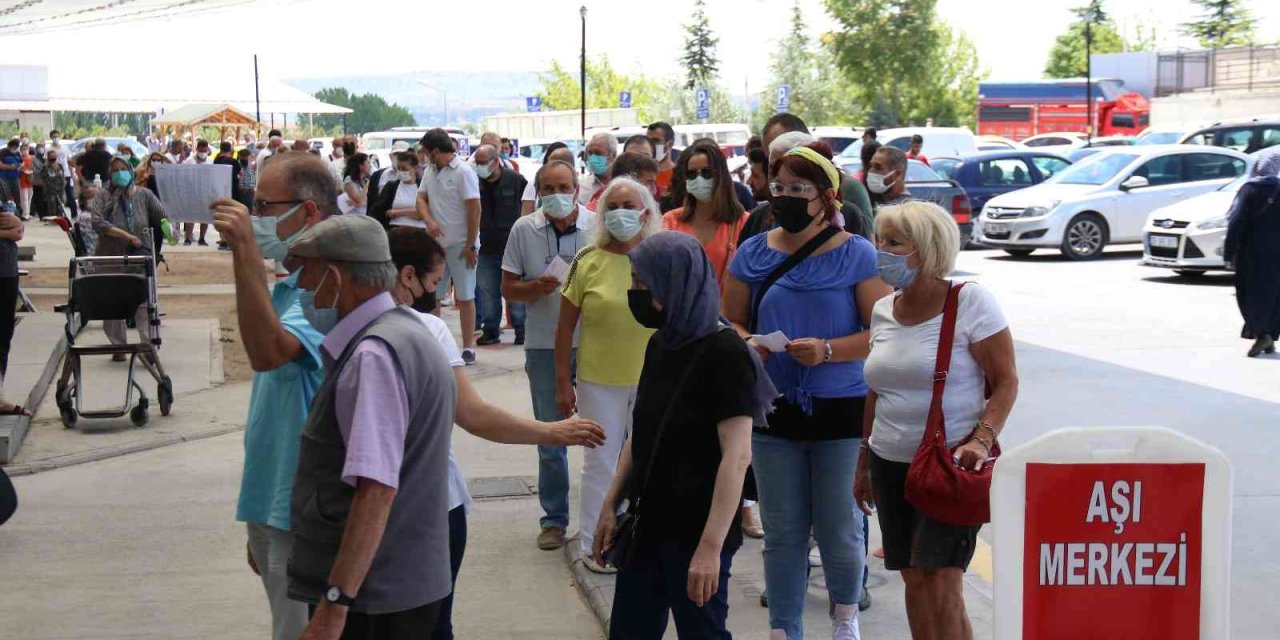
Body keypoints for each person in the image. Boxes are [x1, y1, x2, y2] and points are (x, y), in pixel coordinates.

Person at [385, 226, 606, 640]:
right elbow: (473, 413)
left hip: (400, 506)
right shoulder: (424, 329)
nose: (435, 296)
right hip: (425, 507)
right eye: (436, 283)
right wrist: (553, 432)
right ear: (408, 276)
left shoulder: (341, 328)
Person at [723, 146, 892, 640]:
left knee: (840, 526)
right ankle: (784, 629)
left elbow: (882, 331)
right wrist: (749, 343)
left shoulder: (857, 254)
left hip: (842, 410)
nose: (787, 197)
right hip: (773, 408)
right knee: (782, 531)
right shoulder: (753, 252)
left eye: (800, 189)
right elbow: (729, 320)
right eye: (779, 187)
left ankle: (845, 617)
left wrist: (828, 350)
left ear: (827, 197)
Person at [593, 231, 773, 639]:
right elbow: (642, 432)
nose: (636, 292)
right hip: (648, 522)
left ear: (676, 283)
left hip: (696, 529)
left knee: (702, 632)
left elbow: (737, 457)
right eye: (634, 280)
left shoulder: (726, 354)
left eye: (645, 283)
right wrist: (610, 503)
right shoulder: (661, 343)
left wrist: (710, 547)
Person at [285, 214, 455, 638]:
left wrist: (334, 604)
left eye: (306, 273)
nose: (301, 287)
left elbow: (376, 489)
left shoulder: (373, 355)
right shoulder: (406, 332)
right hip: (399, 586)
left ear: (335, 277)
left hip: (374, 600)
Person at [856, 201, 1018, 640]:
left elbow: (1006, 381)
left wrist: (981, 440)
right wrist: (864, 461)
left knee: (942, 580)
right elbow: (876, 389)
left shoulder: (970, 302)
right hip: (890, 462)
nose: (881, 250)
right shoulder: (884, 309)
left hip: (948, 466)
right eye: (879, 239)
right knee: (913, 577)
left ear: (926, 250)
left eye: (894, 242)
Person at [210, 152, 337, 640]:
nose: (255, 216)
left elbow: (267, 353)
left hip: (300, 512)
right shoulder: (292, 288)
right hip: (273, 504)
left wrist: (244, 249)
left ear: (308, 213)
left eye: (265, 206)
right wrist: (258, 517)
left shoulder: (327, 294)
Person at [556, 177, 661, 572]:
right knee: (599, 463)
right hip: (598, 380)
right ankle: (592, 544)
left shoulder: (659, 258)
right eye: (612, 206)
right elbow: (565, 326)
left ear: (645, 213)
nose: (620, 213)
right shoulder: (586, 260)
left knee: (650, 462)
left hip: (654, 379)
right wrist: (563, 381)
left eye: (629, 206)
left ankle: (643, 541)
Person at [502, 159, 598, 551]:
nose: (556, 195)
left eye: (563, 187)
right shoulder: (524, 229)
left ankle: (607, 514)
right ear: (538, 192)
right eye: (548, 188)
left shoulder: (597, 226)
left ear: (576, 188)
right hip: (543, 343)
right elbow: (508, 287)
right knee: (550, 435)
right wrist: (533, 288)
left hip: (595, 342)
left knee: (604, 431)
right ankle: (554, 519)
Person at [88, 156, 168, 358]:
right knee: (112, 302)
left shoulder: (144, 194)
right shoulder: (103, 196)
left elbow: (161, 216)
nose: (119, 173)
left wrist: (168, 228)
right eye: (115, 170)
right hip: (110, 256)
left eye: (122, 169)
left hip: (139, 257)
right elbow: (97, 223)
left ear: (131, 171)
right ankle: (118, 347)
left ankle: (148, 347)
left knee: (143, 302)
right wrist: (126, 236)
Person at [416, 128, 482, 364]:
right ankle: (435, 343)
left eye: (426, 152)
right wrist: (429, 221)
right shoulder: (430, 171)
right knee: (432, 295)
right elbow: (421, 199)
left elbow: (474, 208)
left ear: (435, 151)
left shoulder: (463, 172)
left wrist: (470, 245)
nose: (425, 157)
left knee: (464, 296)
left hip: (461, 244)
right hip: (436, 245)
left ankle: (468, 346)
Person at [763, 113, 872, 234]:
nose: (780, 176)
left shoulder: (851, 207)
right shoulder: (759, 219)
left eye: (796, 187)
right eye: (773, 169)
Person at [661, 140, 748, 287]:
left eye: (707, 172)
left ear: (721, 176)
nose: (699, 179)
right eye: (691, 174)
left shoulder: (744, 222)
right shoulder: (670, 220)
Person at [1224, 150, 1280, 357]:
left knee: (1249, 293)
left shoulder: (1252, 188)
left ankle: (1261, 333)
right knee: (1273, 294)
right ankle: (1269, 335)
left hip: (1253, 251)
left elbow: (1236, 220)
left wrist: (1229, 251)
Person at [473, 144, 528, 346]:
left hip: (512, 246)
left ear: (496, 161)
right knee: (488, 291)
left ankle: (522, 329)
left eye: (483, 163)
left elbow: (528, 208)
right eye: (477, 163)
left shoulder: (516, 180)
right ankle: (490, 330)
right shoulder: (474, 182)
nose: (479, 167)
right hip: (486, 246)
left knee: (516, 291)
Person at [0, 186, 23, 387]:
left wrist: (17, 225)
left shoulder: (2, 184)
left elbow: (17, 228)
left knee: (4, 333)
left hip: (6, 269)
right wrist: (7, 233)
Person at [369, 151, 425, 229]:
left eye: (404, 168)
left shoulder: (423, 187)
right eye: (398, 168)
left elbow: (424, 212)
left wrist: (397, 212)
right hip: (394, 228)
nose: (401, 171)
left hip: (419, 229)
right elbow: (377, 210)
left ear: (414, 168)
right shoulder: (391, 187)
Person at [520, 143, 572, 214]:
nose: (556, 193)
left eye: (564, 188)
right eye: (548, 188)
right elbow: (526, 215)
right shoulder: (533, 185)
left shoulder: (577, 185)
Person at [581, 132, 619, 209]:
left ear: (613, 155)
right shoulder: (582, 187)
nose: (592, 158)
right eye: (590, 153)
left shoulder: (624, 184)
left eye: (598, 153)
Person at [868, 146, 913, 210]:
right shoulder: (876, 202)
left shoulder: (907, 210)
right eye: (871, 166)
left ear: (898, 173)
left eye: (878, 167)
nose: (871, 171)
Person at [646, 122, 677, 197]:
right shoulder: (641, 175)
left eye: (656, 141)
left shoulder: (680, 174)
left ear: (670, 144)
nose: (650, 145)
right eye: (648, 141)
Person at [39, 147, 66, 220]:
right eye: (51, 156)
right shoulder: (45, 167)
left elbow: (62, 176)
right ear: (48, 157)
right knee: (52, 205)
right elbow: (42, 178)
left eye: (54, 156)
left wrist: (64, 184)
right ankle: (53, 219)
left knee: (60, 204)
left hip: (60, 189)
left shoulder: (60, 166)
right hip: (50, 189)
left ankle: (60, 218)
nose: (53, 157)